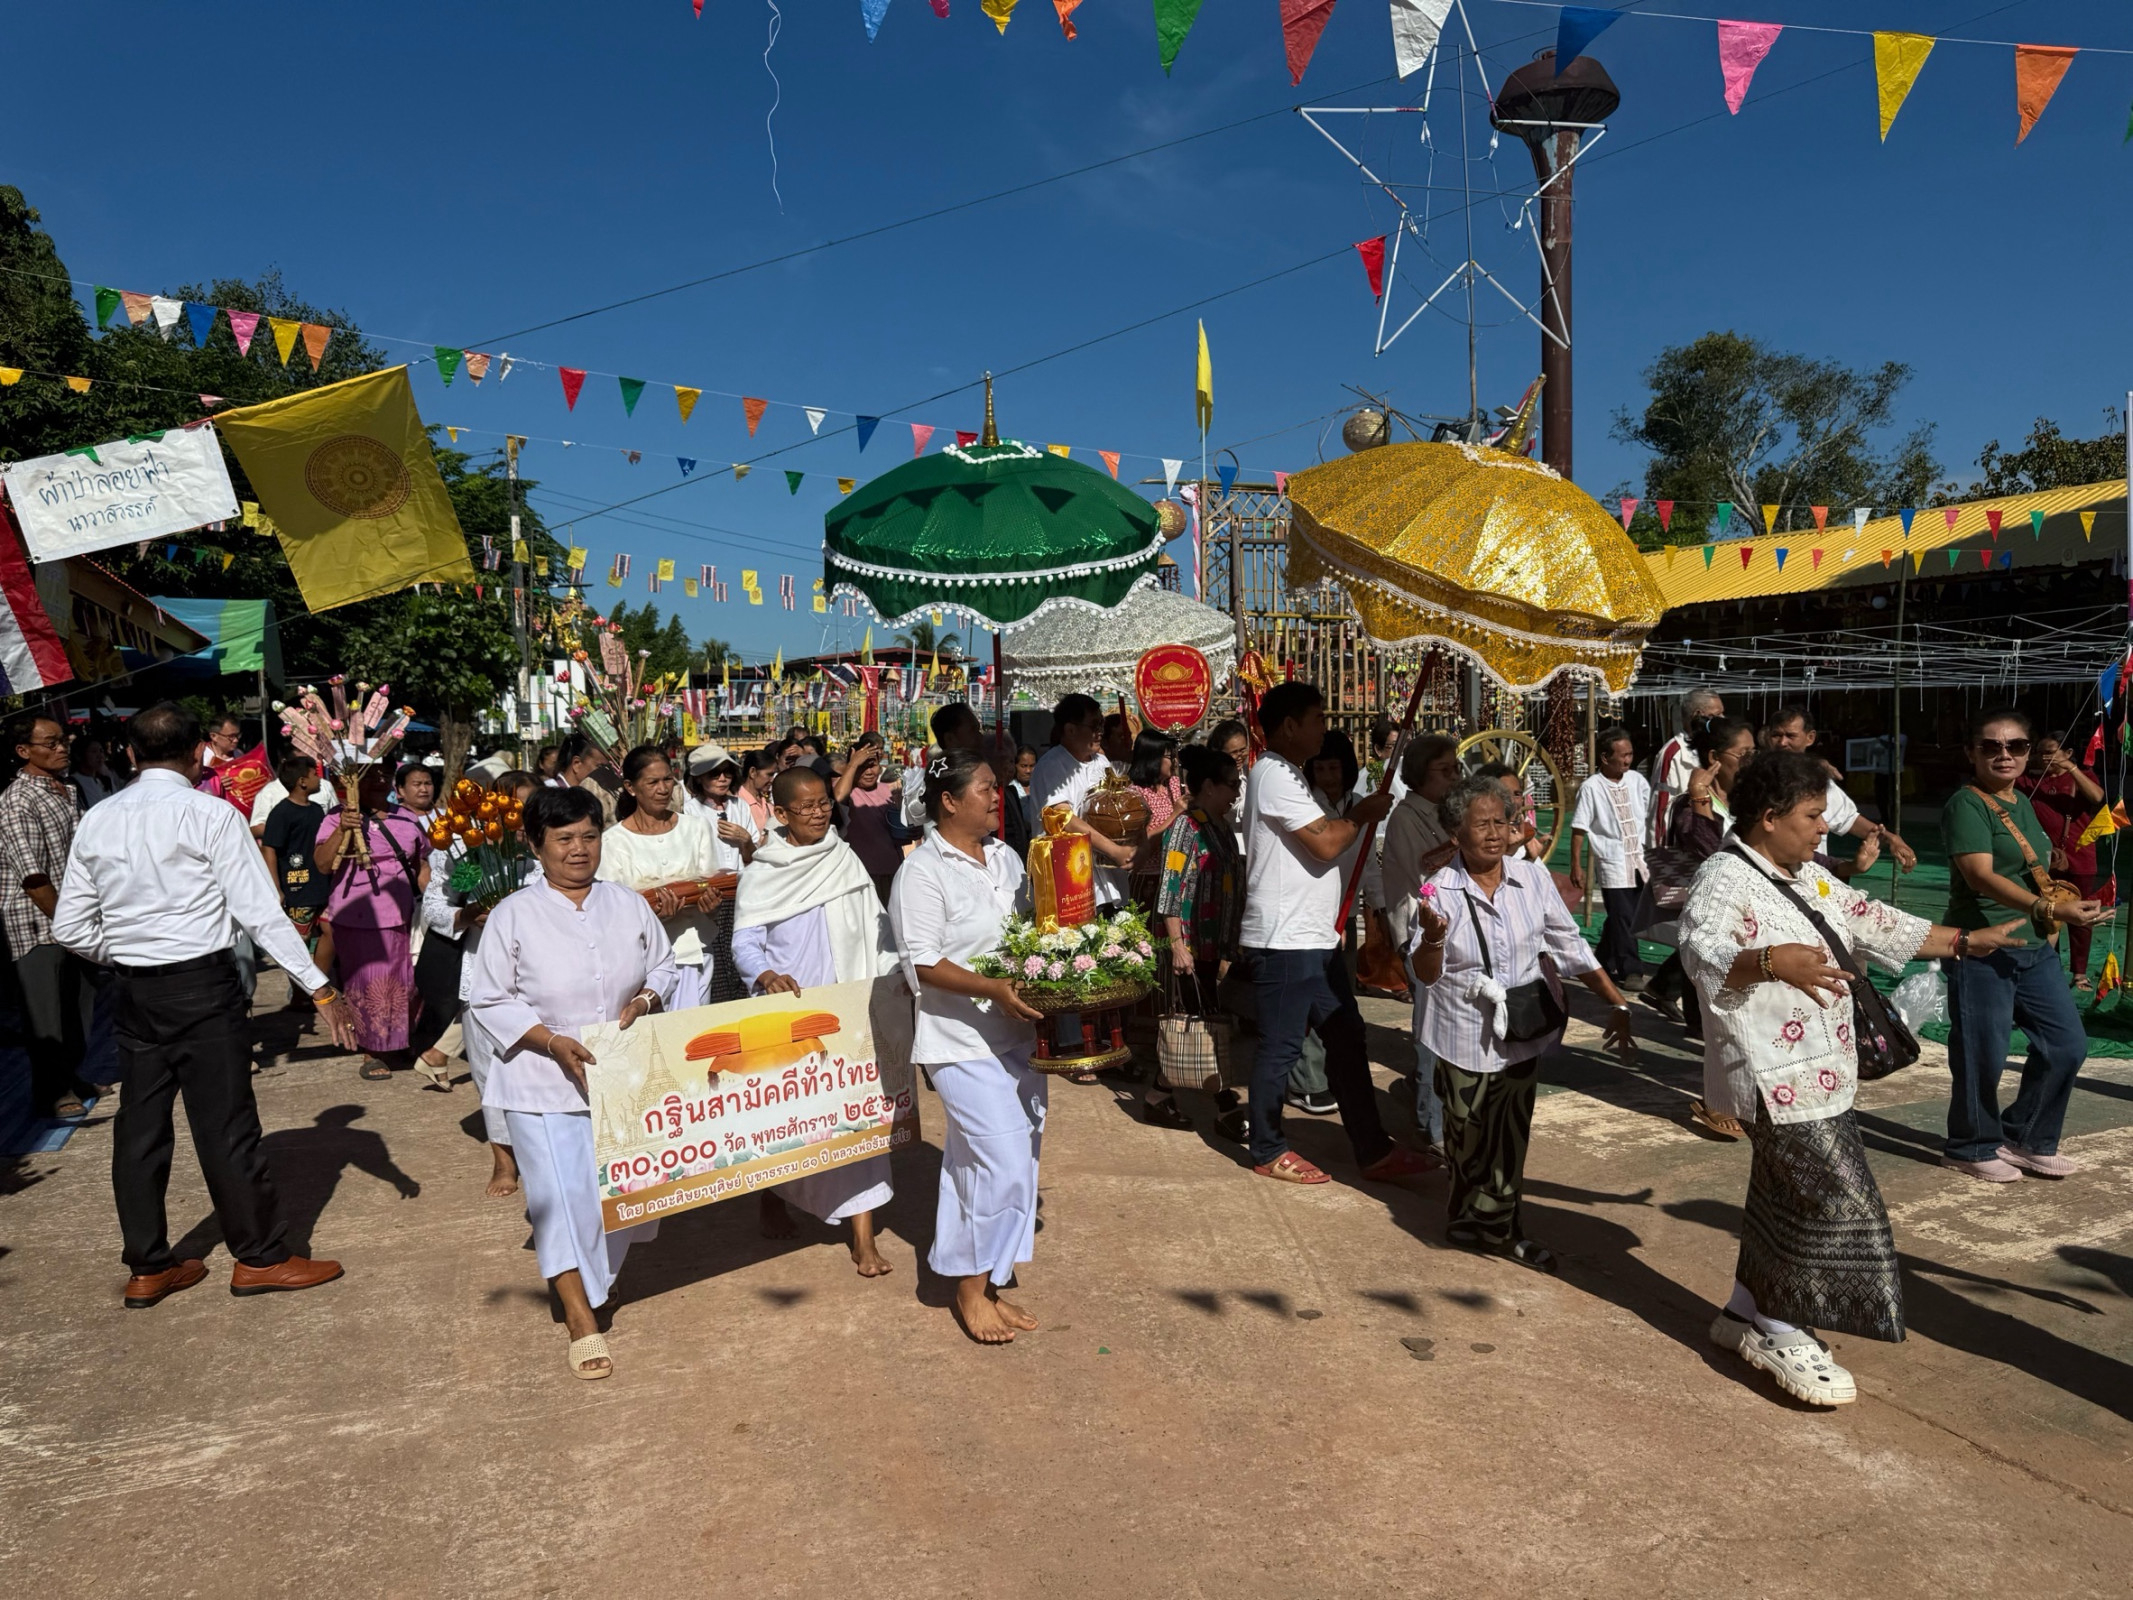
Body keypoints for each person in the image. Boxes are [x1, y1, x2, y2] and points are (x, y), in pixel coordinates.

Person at [1678, 750, 2015, 1404]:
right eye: (1810, 817)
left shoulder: (1804, 875)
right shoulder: (1724, 876)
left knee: (1783, 1197)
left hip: (1819, 1069)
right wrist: (1770, 959)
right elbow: (1700, 951)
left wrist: (1967, 942)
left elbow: (1870, 919)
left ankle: (1743, 1310)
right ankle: (1778, 1327)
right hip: (1769, 1075)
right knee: (1836, 1200)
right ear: (1769, 817)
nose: (1819, 831)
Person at [51, 702, 360, 1308]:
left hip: (137, 988)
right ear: (199, 754)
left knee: (139, 1127)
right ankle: (261, 1257)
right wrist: (320, 988)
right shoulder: (211, 814)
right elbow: (260, 912)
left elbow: (70, 927)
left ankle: (148, 1264)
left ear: (132, 756)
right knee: (225, 1127)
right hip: (201, 985)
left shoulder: (99, 819)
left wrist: (128, 953)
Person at [466, 785, 678, 1379]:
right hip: (540, 1079)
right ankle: (579, 1316)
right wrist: (550, 1041)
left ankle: (589, 1283)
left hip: (620, 1071)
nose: (579, 850)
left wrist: (645, 997)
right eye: (563, 840)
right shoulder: (513, 914)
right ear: (536, 845)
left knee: (620, 1196)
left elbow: (663, 963)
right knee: (558, 1201)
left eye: (589, 836)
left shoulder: (626, 903)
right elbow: (490, 998)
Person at [1411, 776, 1637, 1270]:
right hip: (1460, 1032)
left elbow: (1569, 944)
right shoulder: (1436, 888)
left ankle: (1500, 1230)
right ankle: (1468, 1219)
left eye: (1501, 821)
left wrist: (1615, 1001)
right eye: (1480, 824)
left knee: (1509, 1137)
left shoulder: (1531, 877)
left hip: (1521, 1031)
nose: (1493, 833)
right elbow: (1424, 975)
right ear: (1455, 833)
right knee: (1468, 1138)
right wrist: (1431, 940)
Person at [1237, 681, 1432, 1187]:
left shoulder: (1292, 776)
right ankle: (1267, 1146)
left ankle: (1372, 1147)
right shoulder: (1272, 772)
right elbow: (1325, 844)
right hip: (1284, 939)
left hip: (1314, 938)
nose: (1326, 726)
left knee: (1347, 1037)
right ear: (1288, 726)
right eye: (1318, 717)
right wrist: (1360, 816)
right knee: (1281, 1046)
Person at [888, 749, 1048, 1344]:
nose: (995, 796)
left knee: (992, 1163)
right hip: (958, 1041)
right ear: (949, 802)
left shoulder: (1005, 857)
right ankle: (969, 1290)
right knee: (1002, 1161)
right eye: (984, 788)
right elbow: (923, 959)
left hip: (1016, 1033)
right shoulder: (922, 871)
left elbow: (1034, 924)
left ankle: (981, 1277)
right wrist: (992, 988)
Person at [731, 765, 902, 1275]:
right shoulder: (763, 871)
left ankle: (862, 1235)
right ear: (779, 814)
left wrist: (890, 982)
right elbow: (745, 941)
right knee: (790, 1123)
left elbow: (877, 927)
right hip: (793, 1015)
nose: (818, 813)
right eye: (805, 807)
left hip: (852, 1009)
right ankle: (772, 1193)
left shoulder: (842, 856)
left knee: (858, 1120)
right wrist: (763, 974)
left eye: (824, 803)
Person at [1940, 708, 2107, 1183]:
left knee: (2066, 1045)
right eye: (1991, 746)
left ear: (2029, 753)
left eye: (2015, 746)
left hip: (2034, 945)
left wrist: (2049, 899)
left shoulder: (2022, 802)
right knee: (1982, 1053)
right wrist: (2050, 910)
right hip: (1984, 945)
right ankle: (1969, 1145)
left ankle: (2026, 1136)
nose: (2004, 754)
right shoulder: (1966, 804)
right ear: (1972, 752)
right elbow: (1981, 875)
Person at [1641, 717, 1756, 1066]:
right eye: (1744, 753)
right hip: (1711, 909)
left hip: (1745, 910)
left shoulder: (1747, 799)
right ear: (1714, 757)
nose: (1751, 760)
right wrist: (1699, 798)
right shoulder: (1687, 805)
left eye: (1754, 752)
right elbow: (1708, 849)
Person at [1146, 745, 1247, 1138]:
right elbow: (1170, 888)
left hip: (1215, 945)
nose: (1236, 793)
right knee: (1200, 1026)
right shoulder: (1185, 828)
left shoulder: (1220, 827)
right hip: (1192, 945)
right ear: (1208, 786)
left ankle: (1158, 1096)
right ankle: (1224, 1108)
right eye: (1231, 785)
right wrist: (1178, 944)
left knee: (1201, 1024)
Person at [0, 711, 96, 1120]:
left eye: (64, 741)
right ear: (24, 751)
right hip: (38, 922)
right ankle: (53, 1091)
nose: (61, 748)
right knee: (46, 1016)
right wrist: (67, 922)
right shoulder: (17, 800)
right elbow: (33, 876)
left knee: (81, 1006)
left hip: (74, 916)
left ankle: (71, 1076)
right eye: (51, 743)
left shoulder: (68, 789)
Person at [315, 762, 432, 1082]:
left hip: (402, 916)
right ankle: (371, 1049)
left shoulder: (407, 818)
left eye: (384, 774)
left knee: (408, 982)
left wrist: (433, 903)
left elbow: (421, 864)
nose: (380, 780)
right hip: (357, 916)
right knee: (368, 987)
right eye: (371, 774)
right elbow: (324, 864)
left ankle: (400, 1039)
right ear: (352, 781)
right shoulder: (334, 818)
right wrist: (343, 827)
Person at [596, 745, 724, 1011]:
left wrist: (711, 905)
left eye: (668, 779)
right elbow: (609, 912)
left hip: (693, 951)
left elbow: (711, 881)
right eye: (652, 782)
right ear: (631, 787)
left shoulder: (696, 828)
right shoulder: (613, 842)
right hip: (639, 962)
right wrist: (652, 918)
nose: (663, 789)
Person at [1382, 733, 1462, 1147]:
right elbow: (1428, 876)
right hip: (1419, 932)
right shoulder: (1406, 816)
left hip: (1453, 934)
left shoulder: (1448, 812)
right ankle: (1431, 1125)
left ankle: (1438, 1108)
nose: (1454, 778)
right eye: (1444, 771)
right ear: (1418, 775)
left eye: (1456, 770)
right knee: (1433, 1033)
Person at [1761, 705, 1917, 875]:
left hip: (1810, 876)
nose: (1783, 743)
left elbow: (1849, 819)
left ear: (1810, 738)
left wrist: (1891, 839)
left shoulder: (1819, 781)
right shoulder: (1758, 778)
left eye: (1791, 736)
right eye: (1777, 735)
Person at [1027, 693, 1136, 907]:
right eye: (1094, 726)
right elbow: (1063, 820)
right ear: (1070, 730)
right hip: (1069, 875)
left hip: (1107, 876)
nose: (1100, 733)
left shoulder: (1101, 761)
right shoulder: (1051, 766)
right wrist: (1114, 850)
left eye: (1101, 725)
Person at [2021, 728, 2108, 989]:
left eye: (2050, 752)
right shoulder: (2030, 781)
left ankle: (2079, 972)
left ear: (2068, 752)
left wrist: (2070, 768)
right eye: (2040, 753)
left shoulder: (2082, 778)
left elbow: (2097, 797)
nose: (2044, 758)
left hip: (2080, 856)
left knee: (2081, 915)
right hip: (2043, 859)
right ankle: (2049, 965)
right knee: (2045, 912)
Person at [1568, 726, 1652, 991]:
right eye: (1622, 755)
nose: (1627, 760)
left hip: (1641, 860)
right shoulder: (1591, 788)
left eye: (1630, 754)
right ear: (1605, 758)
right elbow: (1579, 828)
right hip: (1613, 861)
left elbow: (1650, 815)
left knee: (1627, 916)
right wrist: (1576, 865)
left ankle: (1601, 959)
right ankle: (1632, 969)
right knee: (1623, 916)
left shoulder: (1637, 781)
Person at [258, 755, 336, 981]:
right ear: (302, 781)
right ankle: (301, 992)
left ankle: (319, 984)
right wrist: (276, 887)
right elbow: (269, 849)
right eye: (314, 774)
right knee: (300, 942)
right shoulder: (281, 812)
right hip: (296, 888)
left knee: (330, 932)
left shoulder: (316, 810)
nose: (319, 778)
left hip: (321, 884)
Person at [1649, 687, 1723, 847]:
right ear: (1698, 715)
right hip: (1684, 847)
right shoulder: (1673, 753)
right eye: (1716, 715)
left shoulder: (1717, 747)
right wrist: (1661, 856)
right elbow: (1662, 808)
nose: (1722, 720)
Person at [900, 702, 984, 831]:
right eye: (972, 730)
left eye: (978, 730)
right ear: (950, 739)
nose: (980, 737)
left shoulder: (986, 768)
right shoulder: (937, 780)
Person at [67, 732, 117, 809]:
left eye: (101, 751)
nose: (99, 756)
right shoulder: (72, 783)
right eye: (94, 751)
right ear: (79, 755)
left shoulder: (106, 780)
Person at [738, 745, 778, 836]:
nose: (772, 780)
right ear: (752, 772)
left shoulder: (767, 801)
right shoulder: (737, 803)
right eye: (769, 775)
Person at [197, 712, 244, 782]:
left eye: (238, 735)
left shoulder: (239, 754)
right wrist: (216, 785)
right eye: (231, 736)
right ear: (214, 736)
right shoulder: (200, 757)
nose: (236, 740)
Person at [391, 761, 438, 828]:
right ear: (401, 789)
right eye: (417, 784)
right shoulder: (391, 818)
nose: (424, 789)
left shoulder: (448, 816)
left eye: (428, 783)